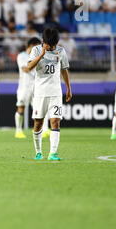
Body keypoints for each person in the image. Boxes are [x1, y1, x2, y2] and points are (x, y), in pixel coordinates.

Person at [27, 28, 72, 161]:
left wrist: (69, 88)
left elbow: (64, 70)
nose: (52, 48)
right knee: (38, 123)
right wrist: (41, 54)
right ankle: (38, 152)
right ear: (43, 42)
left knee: (55, 121)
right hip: (40, 93)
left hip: (56, 92)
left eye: (54, 45)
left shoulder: (61, 51)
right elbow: (29, 67)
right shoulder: (35, 50)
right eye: (50, 45)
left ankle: (53, 153)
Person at [14, 37, 41, 139]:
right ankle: (18, 131)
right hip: (24, 86)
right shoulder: (22, 56)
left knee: (38, 109)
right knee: (21, 107)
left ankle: (41, 130)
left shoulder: (37, 56)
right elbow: (26, 69)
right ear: (31, 46)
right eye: (37, 46)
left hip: (36, 86)